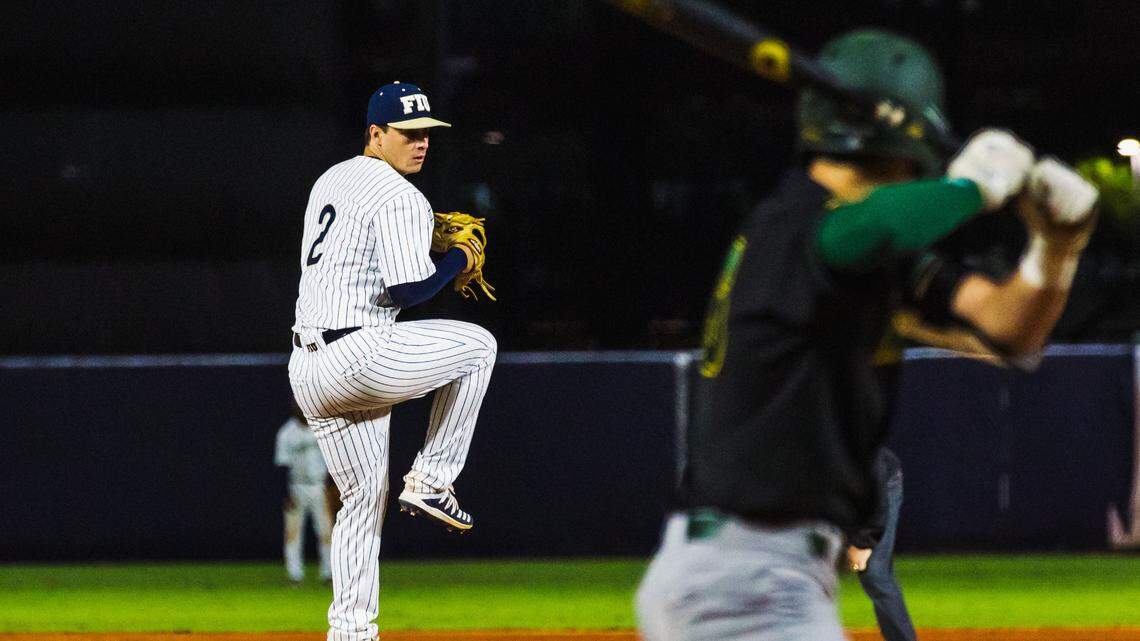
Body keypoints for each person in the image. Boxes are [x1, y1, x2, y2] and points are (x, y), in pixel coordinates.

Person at [635, 28, 1099, 641]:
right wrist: (971, 190)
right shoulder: (797, 225)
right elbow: (867, 232)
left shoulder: (871, 255)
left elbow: (1009, 328)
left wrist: (1056, 250)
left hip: (770, 576)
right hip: (742, 579)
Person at [288, 81, 497, 641]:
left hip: (308, 369)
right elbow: (407, 290)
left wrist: (428, 243)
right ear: (376, 134)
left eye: (427, 134)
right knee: (479, 347)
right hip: (360, 354)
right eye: (408, 134)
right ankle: (432, 480)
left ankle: (351, 632)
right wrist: (455, 257)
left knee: (361, 501)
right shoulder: (402, 196)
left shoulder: (331, 179)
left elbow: (360, 257)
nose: (421, 143)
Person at [847, 447, 916, 641]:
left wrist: (863, 544)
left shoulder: (853, 445)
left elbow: (876, 500)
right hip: (835, 498)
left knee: (874, 573)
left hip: (881, 487)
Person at [274, 404, 333, 584]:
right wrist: (285, 492)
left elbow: (332, 461)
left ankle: (328, 573)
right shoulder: (286, 432)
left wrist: (331, 488)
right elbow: (282, 465)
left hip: (319, 485)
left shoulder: (323, 428)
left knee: (326, 531)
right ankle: (295, 574)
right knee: (293, 533)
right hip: (296, 486)